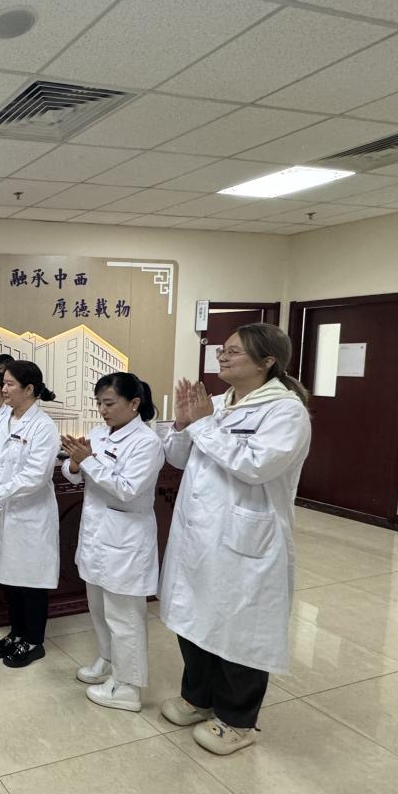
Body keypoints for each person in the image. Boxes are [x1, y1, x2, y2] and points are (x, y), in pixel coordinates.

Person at [158, 323, 312, 755]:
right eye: (221, 351)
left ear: (267, 362)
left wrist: (204, 425)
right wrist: (183, 425)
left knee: (240, 628)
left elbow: (256, 466)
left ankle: (237, 720)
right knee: (195, 617)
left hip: (246, 538)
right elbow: (179, 458)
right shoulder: (218, 403)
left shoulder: (285, 412)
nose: (222, 357)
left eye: (234, 351)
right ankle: (198, 698)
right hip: (199, 534)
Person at [61, 373, 165, 710]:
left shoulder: (147, 443)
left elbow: (127, 488)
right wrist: (74, 463)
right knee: (99, 607)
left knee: (125, 617)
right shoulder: (98, 434)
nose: (102, 410)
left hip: (126, 541)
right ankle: (107, 661)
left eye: (109, 403)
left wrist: (88, 461)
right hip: (96, 535)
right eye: (99, 403)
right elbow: (73, 474)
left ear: (134, 404)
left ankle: (128, 686)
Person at [0, 360, 60, 666]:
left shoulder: (43, 427)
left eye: (9, 384)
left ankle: (34, 641)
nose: (3, 389)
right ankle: (17, 633)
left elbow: (36, 476)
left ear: (29, 389)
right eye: (2, 383)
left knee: (30, 581)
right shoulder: (3, 417)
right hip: (2, 513)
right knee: (9, 578)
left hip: (29, 516)